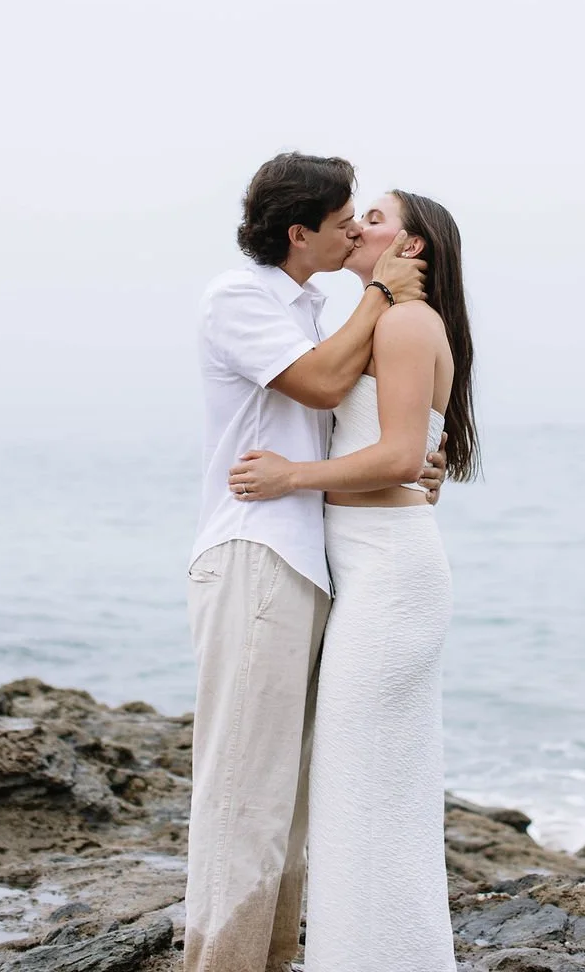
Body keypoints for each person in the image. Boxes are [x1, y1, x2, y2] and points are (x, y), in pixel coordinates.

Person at [185, 154, 447, 972]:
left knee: (289, 797)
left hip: (317, 562)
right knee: (243, 793)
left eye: (368, 221)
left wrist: (413, 460)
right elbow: (323, 389)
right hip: (258, 549)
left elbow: (363, 425)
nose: (355, 231)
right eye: (344, 222)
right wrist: (381, 294)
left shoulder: (312, 307)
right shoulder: (242, 298)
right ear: (299, 232)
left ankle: (272, 959)